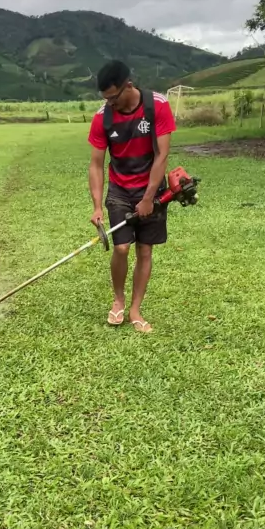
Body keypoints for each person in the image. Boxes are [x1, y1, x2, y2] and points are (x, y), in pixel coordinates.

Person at [88, 60, 176, 333]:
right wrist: (96, 206)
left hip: (151, 187)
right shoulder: (102, 117)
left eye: (113, 97)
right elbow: (95, 165)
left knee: (145, 250)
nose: (109, 103)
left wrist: (149, 198)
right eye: (105, 98)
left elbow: (162, 155)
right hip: (120, 189)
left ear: (128, 85)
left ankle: (136, 309)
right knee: (121, 247)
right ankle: (118, 300)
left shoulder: (157, 105)